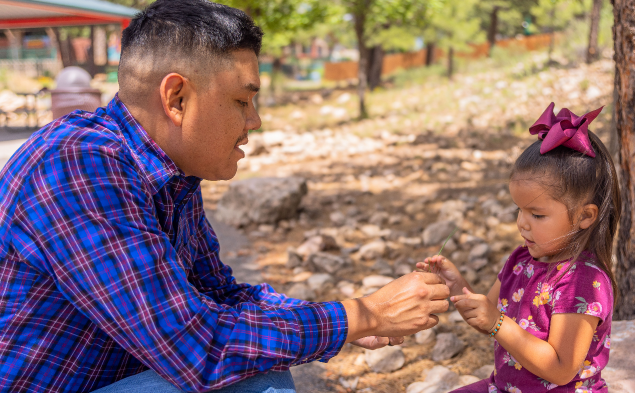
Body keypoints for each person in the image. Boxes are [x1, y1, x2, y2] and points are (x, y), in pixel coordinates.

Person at [0, 1, 450, 392]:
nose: (254, 121)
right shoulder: (78, 167)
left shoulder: (168, 172)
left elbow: (221, 295)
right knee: (255, 382)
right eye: (242, 101)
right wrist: (360, 316)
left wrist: (346, 320)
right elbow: (199, 348)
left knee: (259, 370)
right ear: (176, 98)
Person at [419, 103, 620, 393]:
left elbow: (561, 370)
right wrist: (457, 287)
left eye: (537, 214)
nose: (522, 224)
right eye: (519, 210)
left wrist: (497, 323)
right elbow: (487, 317)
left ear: (585, 216)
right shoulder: (520, 260)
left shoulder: (582, 282)